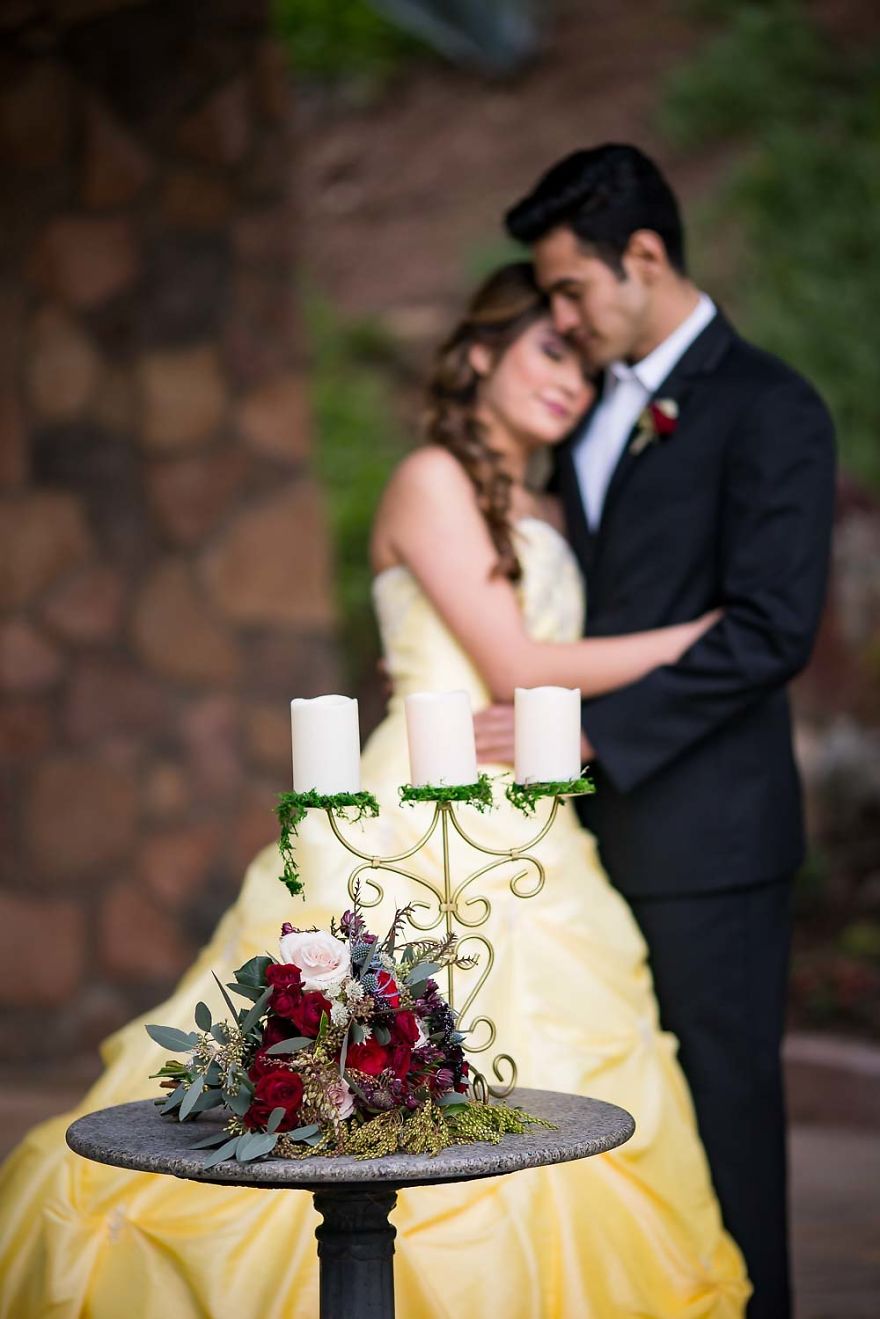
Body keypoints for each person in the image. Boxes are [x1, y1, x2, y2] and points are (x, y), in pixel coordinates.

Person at [0, 263, 749, 1318]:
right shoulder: (432, 477)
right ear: (478, 351)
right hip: (416, 799)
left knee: (565, 1052)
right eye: (547, 349)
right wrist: (717, 630)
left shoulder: (539, 501)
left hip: (529, 810)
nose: (570, 381)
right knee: (366, 1052)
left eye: (585, 364)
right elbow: (510, 656)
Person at [474, 146, 836, 1319]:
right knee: (620, 1114)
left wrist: (592, 735)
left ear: (644, 257)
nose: (560, 319)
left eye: (571, 289)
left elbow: (772, 628)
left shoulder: (770, 405)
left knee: (725, 1117)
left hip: (709, 840)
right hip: (578, 846)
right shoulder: (579, 410)